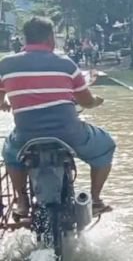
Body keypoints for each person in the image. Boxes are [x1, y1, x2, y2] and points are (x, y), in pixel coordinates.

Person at [0, 16, 116, 216]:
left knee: (10, 155)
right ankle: (96, 200)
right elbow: (86, 101)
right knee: (106, 145)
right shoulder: (66, 64)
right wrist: (96, 101)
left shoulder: (6, 65)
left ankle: (22, 202)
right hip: (69, 134)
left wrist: (5, 103)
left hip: (26, 135)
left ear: (25, 39)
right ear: (50, 38)